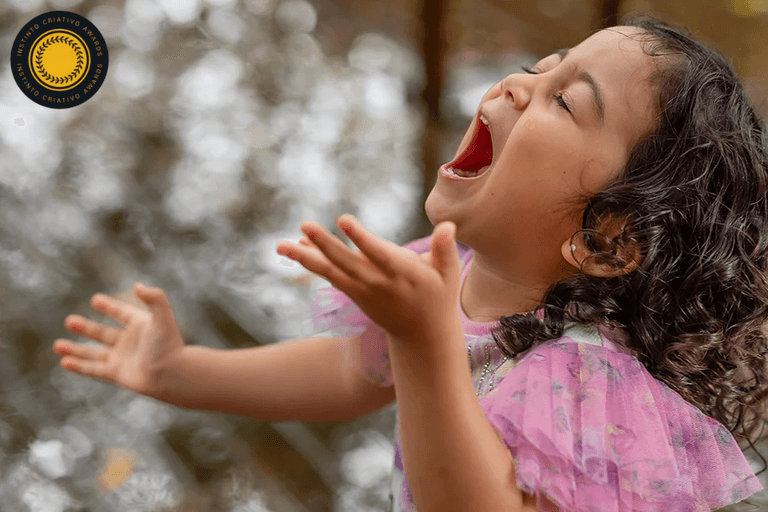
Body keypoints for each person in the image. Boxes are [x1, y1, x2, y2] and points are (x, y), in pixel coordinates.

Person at [52, 14, 767, 512]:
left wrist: (423, 340)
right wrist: (180, 371)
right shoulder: (449, 273)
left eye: (564, 101)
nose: (514, 87)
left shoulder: (583, 378)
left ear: (607, 239)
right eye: (537, 69)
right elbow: (347, 372)